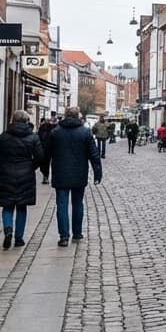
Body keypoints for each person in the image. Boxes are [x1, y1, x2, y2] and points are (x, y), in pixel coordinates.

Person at [44, 106, 102, 247]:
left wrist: (44, 171)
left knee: (62, 205)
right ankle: (77, 234)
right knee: (78, 204)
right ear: (78, 117)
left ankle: (64, 236)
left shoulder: (56, 132)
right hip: (79, 173)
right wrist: (97, 172)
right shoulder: (85, 132)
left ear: (65, 116)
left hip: (61, 174)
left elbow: (46, 154)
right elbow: (94, 154)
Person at [0, 110, 45, 250]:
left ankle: (8, 229)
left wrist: (2, 166)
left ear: (13, 121)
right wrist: (30, 166)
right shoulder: (33, 137)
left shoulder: (4, 136)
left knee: (7, 205)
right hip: (26, 174)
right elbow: (40, 157)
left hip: (6, 174)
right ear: (27, 121)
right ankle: (19, 238)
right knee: (22, 206)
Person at [36, 114, 57, 185]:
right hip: (46, 147)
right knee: (46, 163)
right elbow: (39, 136)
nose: (50, 121)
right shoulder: (44, 127)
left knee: (48, 163)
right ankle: (46, 177)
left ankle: (47, 177)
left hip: (50, 148)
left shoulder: (55, 127)